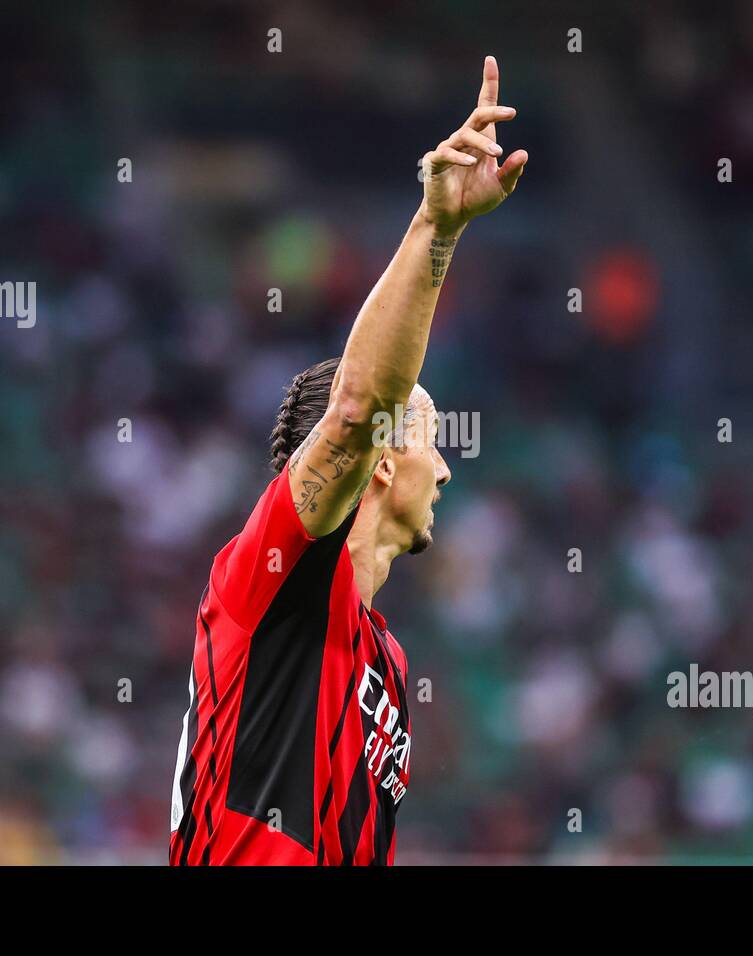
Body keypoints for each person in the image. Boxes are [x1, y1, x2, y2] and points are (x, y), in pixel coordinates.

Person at [169, 56, 527, 864]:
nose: (445, 471)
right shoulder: (266, 580)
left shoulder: (389, 663)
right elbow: (362, 405)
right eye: (430, 442)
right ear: (378, 464)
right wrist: (436, 228)